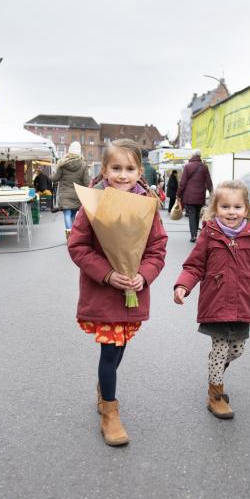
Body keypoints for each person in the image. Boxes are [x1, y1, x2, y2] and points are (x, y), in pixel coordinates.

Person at [68, 139, 168, 446]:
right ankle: (109, 412)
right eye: (116, 168)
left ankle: (104, 389)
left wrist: (144, 276)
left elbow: (157, 249)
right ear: (104, 170)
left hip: (133, 292)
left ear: (139, 172)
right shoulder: (93, 203)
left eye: (129, 168)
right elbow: (78, 246)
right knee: (110, 350)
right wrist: (108, 274)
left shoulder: (148, 206)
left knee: (120, 346)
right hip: (103, 292)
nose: (122, 175)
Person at [173, 180, 250, 419]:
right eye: (225, 206)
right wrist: (183, 286)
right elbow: (194, 266)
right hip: (216, 303)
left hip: (242, 304)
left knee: (237, 349)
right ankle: (215, 396)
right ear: (215, 208)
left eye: (237, 207)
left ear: (246, 209)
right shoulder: (209, 235)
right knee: (220, 349)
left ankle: (215, 367)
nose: (231, 212)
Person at [53, 141, 91, 240]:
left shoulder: (63, 163)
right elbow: (87, 183)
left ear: (69, 151)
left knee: (67, 214)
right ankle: (73, 236)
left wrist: (53, 174)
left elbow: (55, 178)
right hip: (77, 194)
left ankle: (69, 236)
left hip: (65, 194)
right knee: (73, 214)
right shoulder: (83, 165)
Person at [176, 150, 213, 242]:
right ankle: (195, 232)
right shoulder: (204, 167)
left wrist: (178, 194)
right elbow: (209, 181)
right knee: (197, 214)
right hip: (200, 195)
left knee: (192, 215)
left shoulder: (188, 166)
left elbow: (183, 183)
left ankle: (193, 235)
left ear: (192, 155)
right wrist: (211, 192)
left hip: (189, 196)